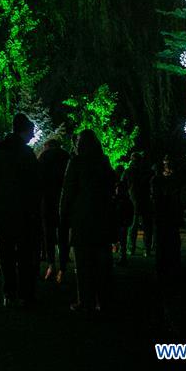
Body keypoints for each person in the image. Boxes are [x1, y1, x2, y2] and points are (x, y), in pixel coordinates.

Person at [60, 130, 117, 314]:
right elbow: (111, 186)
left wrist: (64, 214)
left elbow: (68, 190)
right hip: (103, 217)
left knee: (84, 263)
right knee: (102, 263)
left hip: (82, 218)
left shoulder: (77, 162)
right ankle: (105, 300)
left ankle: (86, 301)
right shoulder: (104, 162)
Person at [0, 113, 40, 308]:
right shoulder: (26, 153)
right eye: (31, 131)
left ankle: (9, 292)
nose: (32, 135)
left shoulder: (0, 151)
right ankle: (26, 293)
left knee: (7, 252)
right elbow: (35, 183)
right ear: (24, 130)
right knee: (25, 252)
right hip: (23, 209)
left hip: (4, 209)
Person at [38, 138, 70, 282]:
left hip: (47, 200)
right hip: (63, 199)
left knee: (49, 234)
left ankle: (52, 265)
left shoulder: (44, 157)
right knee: (63, 233)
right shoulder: (66, 156)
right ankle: (63, 267)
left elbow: (37, 177)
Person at [153, 154, 182, 286]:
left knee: (169, 240)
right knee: (166, 240)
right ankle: (166, 268)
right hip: (165, 213)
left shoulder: (170, 178)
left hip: (168, 213)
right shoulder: (160, 179)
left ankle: (169, 268)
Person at [125, 152, 154, 256]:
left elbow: (123, 186)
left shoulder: (128, 172)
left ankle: (131, 249)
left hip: (134, 203)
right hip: (144, 202)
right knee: (146, 227)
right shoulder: (148, 172)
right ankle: (146, 249)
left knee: (133, 228)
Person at [113, 166, 134, 266]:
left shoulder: (119, 199)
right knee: (122, 239)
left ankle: (122, 257)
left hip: (121, 221)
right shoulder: (125, 199)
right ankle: (122, 256)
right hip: (122, 221)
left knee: (121, 239)